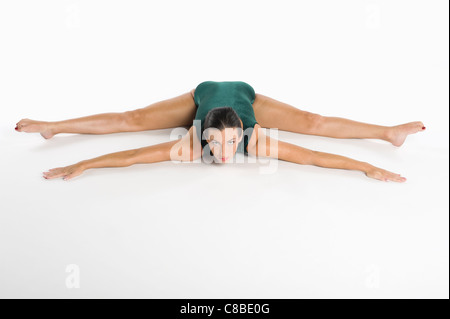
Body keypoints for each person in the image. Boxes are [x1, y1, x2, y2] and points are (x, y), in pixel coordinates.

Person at [15, 81, 426, 182]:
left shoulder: (257, 137)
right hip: (206, 92)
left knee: (314, 123)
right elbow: (131, 156)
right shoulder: (192, 143)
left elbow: (317, 156)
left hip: (245, 96)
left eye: (231, 143)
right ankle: (53, 126)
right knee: (134, 119)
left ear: (244, 135)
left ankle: (388, 132)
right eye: (217, 143)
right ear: (199, 133)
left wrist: (367, 169)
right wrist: (84, 164)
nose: (226, 152)